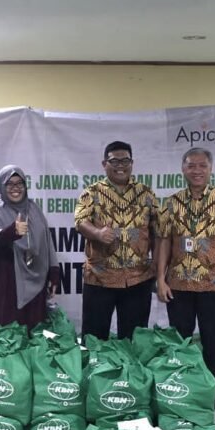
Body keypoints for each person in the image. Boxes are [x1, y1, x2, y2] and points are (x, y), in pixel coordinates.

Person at [156, 147, 215, 407]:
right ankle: (181, 389)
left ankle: (208, 393)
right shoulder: (170, 203)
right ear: (183, 169)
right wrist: (160, 279)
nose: (197, 171)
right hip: (179, 286)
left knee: (213, 343)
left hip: (214, 285)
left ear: (210, 169)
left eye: (202, 166)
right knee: (180, 343)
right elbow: (163, 243)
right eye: (191, 166)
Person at [74, 141, 158, 340]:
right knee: (94, 338)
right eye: (114, 161)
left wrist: (156, 263)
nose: (120, 165)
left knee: (133, 340)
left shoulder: (145, 194)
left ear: (132, 162)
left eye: (125, 160)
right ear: (105, 164)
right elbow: (80, 221)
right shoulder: (91, 193)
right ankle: (95, 371)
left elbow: (158, 230)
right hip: (99, 277)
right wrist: (97, 233)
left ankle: (131, 372)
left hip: (138, 278)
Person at [0, 165, 61, 333]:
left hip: (35, 281)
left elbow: (47, 240)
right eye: (9, 184)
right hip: (6, 283)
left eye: (19, 183)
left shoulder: (34, 209)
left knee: (32, 332)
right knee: (6, 334)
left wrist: (54, 271)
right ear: (2, 186)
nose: (15, 188)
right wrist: (11, 232)